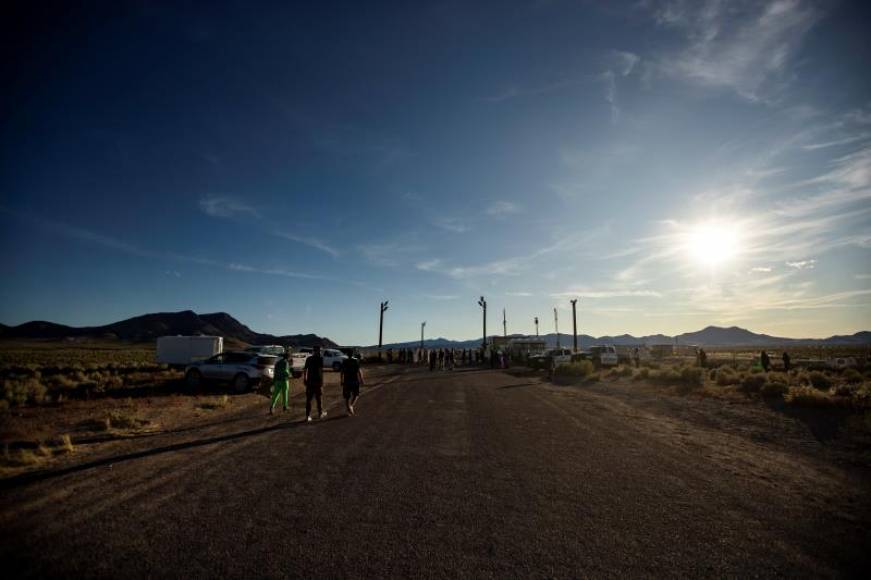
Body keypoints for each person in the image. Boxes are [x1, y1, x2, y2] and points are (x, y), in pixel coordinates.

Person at [303, 345, 327, 421]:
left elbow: (305, 370)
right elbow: (320, 371)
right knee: (319, 398)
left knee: (309, 399)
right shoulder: (320, 359)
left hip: (309, 381)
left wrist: (305, 379)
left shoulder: (309, 359)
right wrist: (322, 381)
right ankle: (320, 413)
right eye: (319, 351)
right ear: (316, 351)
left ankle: (308, 416)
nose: (320, 352)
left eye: (320, 351)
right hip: (317, 382)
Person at [341, 351, 364, 416]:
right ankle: (351, 406)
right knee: (356, 394)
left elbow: (342, 371)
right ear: (353, 354)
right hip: (354, 381)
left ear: (347, 355)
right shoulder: (355, 361)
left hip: (346, 381)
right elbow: (359, 371)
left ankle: (348, 409)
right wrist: (362, 379)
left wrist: (341, 380)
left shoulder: (344, 361)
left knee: (347, 397)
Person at [270, 349, 292, 414]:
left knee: (275, 394)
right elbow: (285, 371)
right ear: (288, 357)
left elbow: (275, 372)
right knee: (285, 394)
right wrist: (289, 375)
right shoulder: (286, 363)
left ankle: (272, 407)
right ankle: (285, 406)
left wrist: (274, 380)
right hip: (284, 380)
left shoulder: (277, 363)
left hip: (277, 380)